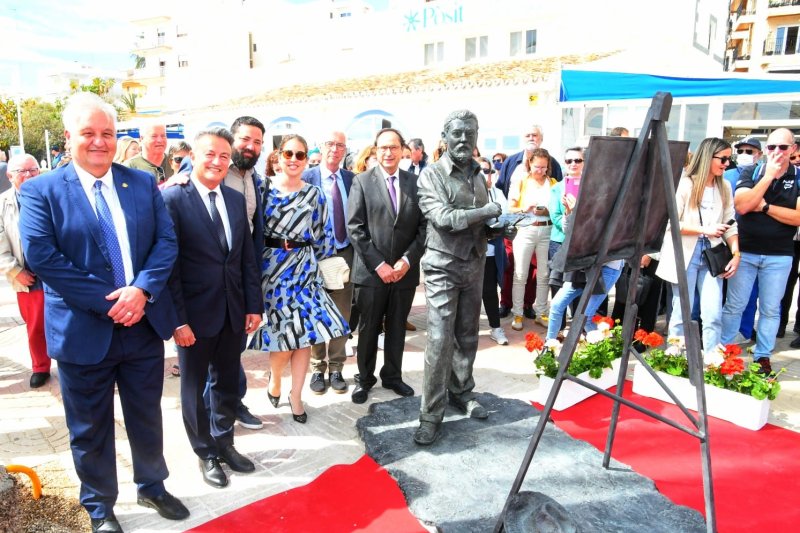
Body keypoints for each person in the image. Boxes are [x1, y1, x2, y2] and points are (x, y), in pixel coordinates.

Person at [18, 92, 188, 532]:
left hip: (142, 326)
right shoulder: (41, 190)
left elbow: (165, 244)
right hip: (82, 332)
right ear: (68, 137)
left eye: (107, 133)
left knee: (146, 416)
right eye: (88, 133)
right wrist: (115, 301)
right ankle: (98, 506)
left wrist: (142, 292)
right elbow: (43, 257)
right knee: (89, 427)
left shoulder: (141, 183)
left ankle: (152, 486)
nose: (99, 142)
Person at [162, 127, 262, 490]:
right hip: (193, 316)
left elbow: (246, 258)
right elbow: (168, 268)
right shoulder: (173, 199)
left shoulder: (235, 200)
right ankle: (205, 452)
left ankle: (225, 442)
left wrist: (253, 304)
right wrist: (178, 320)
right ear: (193, 155)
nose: (217, 161)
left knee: (227, 384)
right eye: (210, 154)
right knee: (192, 388)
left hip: (233, 312)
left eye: (224, 156)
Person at [414, 110, 501, 445]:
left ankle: (462, 391)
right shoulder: (431, 175)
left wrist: (499, 227)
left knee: (467, 335)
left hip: (474, 263)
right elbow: (443, 217)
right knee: (439, 339)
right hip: (442, 265)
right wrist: (486, 212)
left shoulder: (479, 175)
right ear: (445, 136)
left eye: (470, 133)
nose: (464, 139)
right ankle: (430, 414)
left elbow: (481, 222)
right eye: (457, 133)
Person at [257, 134, 350, 423]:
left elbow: (323, 236)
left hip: (305, 270)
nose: (295, 160)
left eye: (300, 154)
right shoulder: (263, 191)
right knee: (283, 338)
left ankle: (296, 396)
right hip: (272, 270)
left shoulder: (315, 194)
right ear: (278, 156)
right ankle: (275, 380)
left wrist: (326, 272)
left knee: (304, 337)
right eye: (289, 154)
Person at [347, 128, 426, 405]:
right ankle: (364, 379)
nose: (388, 153)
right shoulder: (362, 182)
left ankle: (392, 376)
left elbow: (424, 227)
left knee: (396, 327)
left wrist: (406, 261)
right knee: (368, 329)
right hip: (371, 273)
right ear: (375, 150)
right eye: (383, 148)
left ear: (403, 149)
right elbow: (354, 228)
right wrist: (379, 264)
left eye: (393, 147)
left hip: (404, 273)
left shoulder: (416, 182)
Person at [722, 129, 800, 374]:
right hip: (746, 252)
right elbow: (743, 206)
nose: (777, 152)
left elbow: (798, 218)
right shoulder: (752, 171)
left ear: (793, 149)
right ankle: (725, 353)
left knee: (770, 308)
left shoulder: (798, 177)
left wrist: (764, 205)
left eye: (783, 148)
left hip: (780, 254)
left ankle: (762, 357)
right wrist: (768, 176)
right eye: (772, 147)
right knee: (735, 305)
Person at [656, 138, 740, 352]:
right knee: (681, 311)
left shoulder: (725, 186)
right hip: (685, 252)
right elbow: (670, 223)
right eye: (722, 159)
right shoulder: (685, 184)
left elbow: (731, 222)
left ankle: (711, 361)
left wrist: (736, 253)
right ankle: (674, 358)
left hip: (712, 254)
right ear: (707, 157)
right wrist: (705, 229)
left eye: (729, 159)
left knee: (713, 314)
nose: (726, 164)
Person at [302, 131, 354, 395]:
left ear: (345, 149)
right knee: (315, 313)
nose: (335, 149)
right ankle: (317, 369)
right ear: (321, 147)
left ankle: (336, 367)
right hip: (314, 257)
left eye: (340, 145)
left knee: (342, 314)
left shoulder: (351, 179)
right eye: (330, 144)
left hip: (344, 255)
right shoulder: (306, 178)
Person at [0, 154, 51, 388]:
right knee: (35, 325)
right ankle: (40, 366)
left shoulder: (51, 195)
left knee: (68, 322)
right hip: (28, 275)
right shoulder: (2, 204)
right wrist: (13, 271)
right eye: (22, 171)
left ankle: (78, 365)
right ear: (10, 176)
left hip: (57, 273)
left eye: (33, 170)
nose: (29, 175)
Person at [507, 147, 554, 331]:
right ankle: (517, 313)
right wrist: (525, 208)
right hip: (525, 229)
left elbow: (558, 209)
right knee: (520, 274)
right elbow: (510, 209)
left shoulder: (553, 182)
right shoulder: (521, 181)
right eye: (537, 166)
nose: (540, 170)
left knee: (544, 274)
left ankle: (541, 312)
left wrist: (547, 210)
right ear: (530, 164)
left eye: (543, 167)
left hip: (547, 229)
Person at [477, 156, 509, 345]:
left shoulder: (497, 193)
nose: (485, 174)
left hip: (491, 251)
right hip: (470, 253)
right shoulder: (466, 193)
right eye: (481, 170)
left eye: (488, 171)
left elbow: (503, 216)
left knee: (489, 291)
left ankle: (495, 327)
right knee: (469, 295)